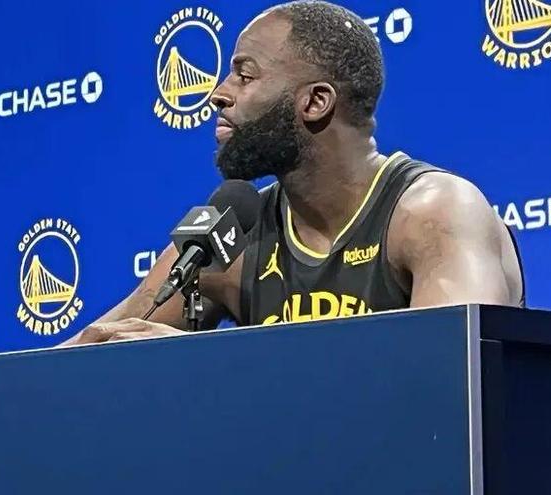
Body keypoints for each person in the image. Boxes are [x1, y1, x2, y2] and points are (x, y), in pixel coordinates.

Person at [62, 0, 523, 345]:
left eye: (245, 76)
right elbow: (83, 355)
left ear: (315, 102)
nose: (218, 93)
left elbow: (453, 372)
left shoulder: (433, 212)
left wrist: (205, 362)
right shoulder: (232, 240)